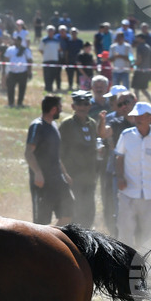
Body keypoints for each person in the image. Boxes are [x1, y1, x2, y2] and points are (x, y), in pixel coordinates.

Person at [114, 102, 151, 259]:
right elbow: (119, 157)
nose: (137, 119)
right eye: (135, 116)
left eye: (141, 116)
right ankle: (124, 263)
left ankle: (145, 266)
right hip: (128, 192)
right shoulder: (126, 135)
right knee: (125, 230)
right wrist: (120, 177)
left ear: (150, 117)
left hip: (150, 194)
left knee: (148, 233)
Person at [26, 95, 73, 225]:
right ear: (53, 109)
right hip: (43, 182)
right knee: (41, 222)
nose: (61, 110)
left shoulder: (54, 125)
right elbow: (29, 153)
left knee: (68, 212)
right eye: (60, 107)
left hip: (57, 179)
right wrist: (38, 173)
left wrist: (65, 174)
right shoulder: (37, 126)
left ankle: (53, 239)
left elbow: (56, 155)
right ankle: (42, 243)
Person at [59, 90, 100, 227]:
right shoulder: (67, 124)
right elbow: (58, 152)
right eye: (79, 104)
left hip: (89, 178)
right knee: (73, 214)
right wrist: (64, 174)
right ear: (73, 107)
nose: (82, 107)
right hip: (73, 177)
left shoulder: (93, 123)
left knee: (89, 213)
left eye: (86, 103)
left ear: (90, 105)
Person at [4, 36, 33, 108]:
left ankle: (20, 103)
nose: (17, 42)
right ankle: (11, 103)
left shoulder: (26, 50)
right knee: (10, 88)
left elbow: (29, 60)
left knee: (22, 88)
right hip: (12, 72)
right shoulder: (10, 49)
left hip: (22, 72)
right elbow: (6, 59)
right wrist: (6, 71)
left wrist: (29, 71)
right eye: (16, 40)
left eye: (19, 41)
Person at [132, 33, 151, 106]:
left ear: (141, 39)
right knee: (143, 89)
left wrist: (133, 64)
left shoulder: (140, 47)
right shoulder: (148, 47)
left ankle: (136, 104)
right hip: (146, 70)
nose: (136, 39)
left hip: (140, 70)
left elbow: (139, 59)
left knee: (136, 89)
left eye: (137, 38)